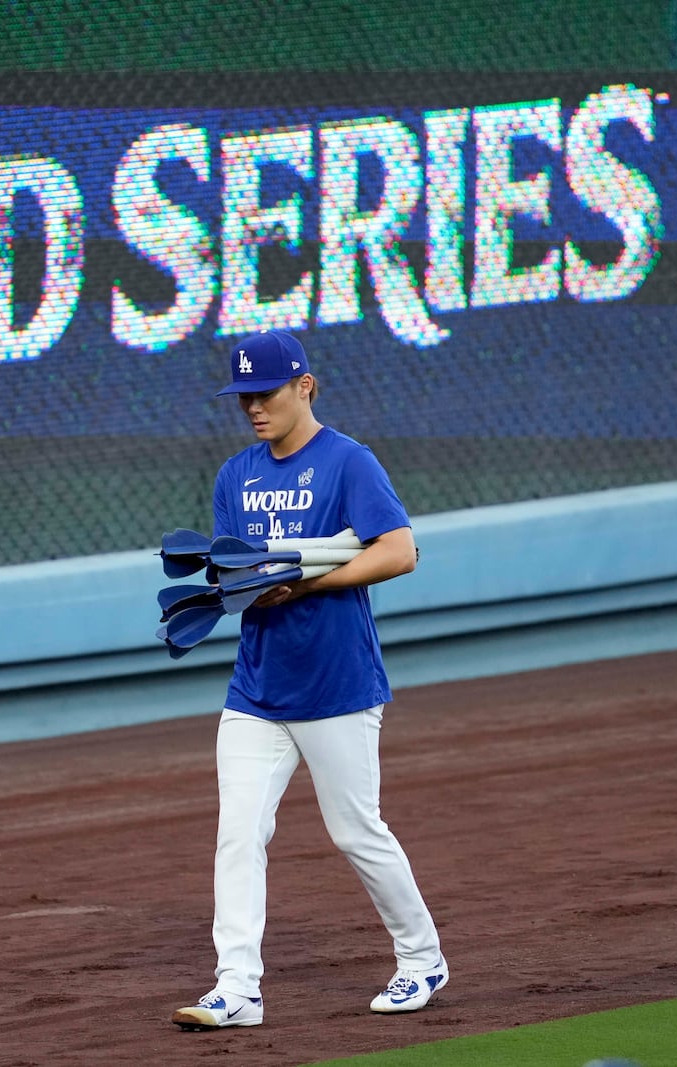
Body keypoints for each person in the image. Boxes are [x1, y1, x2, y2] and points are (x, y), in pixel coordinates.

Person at [171, 329, 446, 1031]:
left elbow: (400, 550)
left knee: (356, 830)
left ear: (306, 386)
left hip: (337, 684)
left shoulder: (349, 463)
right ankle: (236, 987)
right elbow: (239, 573)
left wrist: (311, 581)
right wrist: (253, 590)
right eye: (244, 398)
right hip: (258, 688)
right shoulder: (236, 476)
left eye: (264, 393)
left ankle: (421, 958)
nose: (253, 407)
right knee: (238, 832)